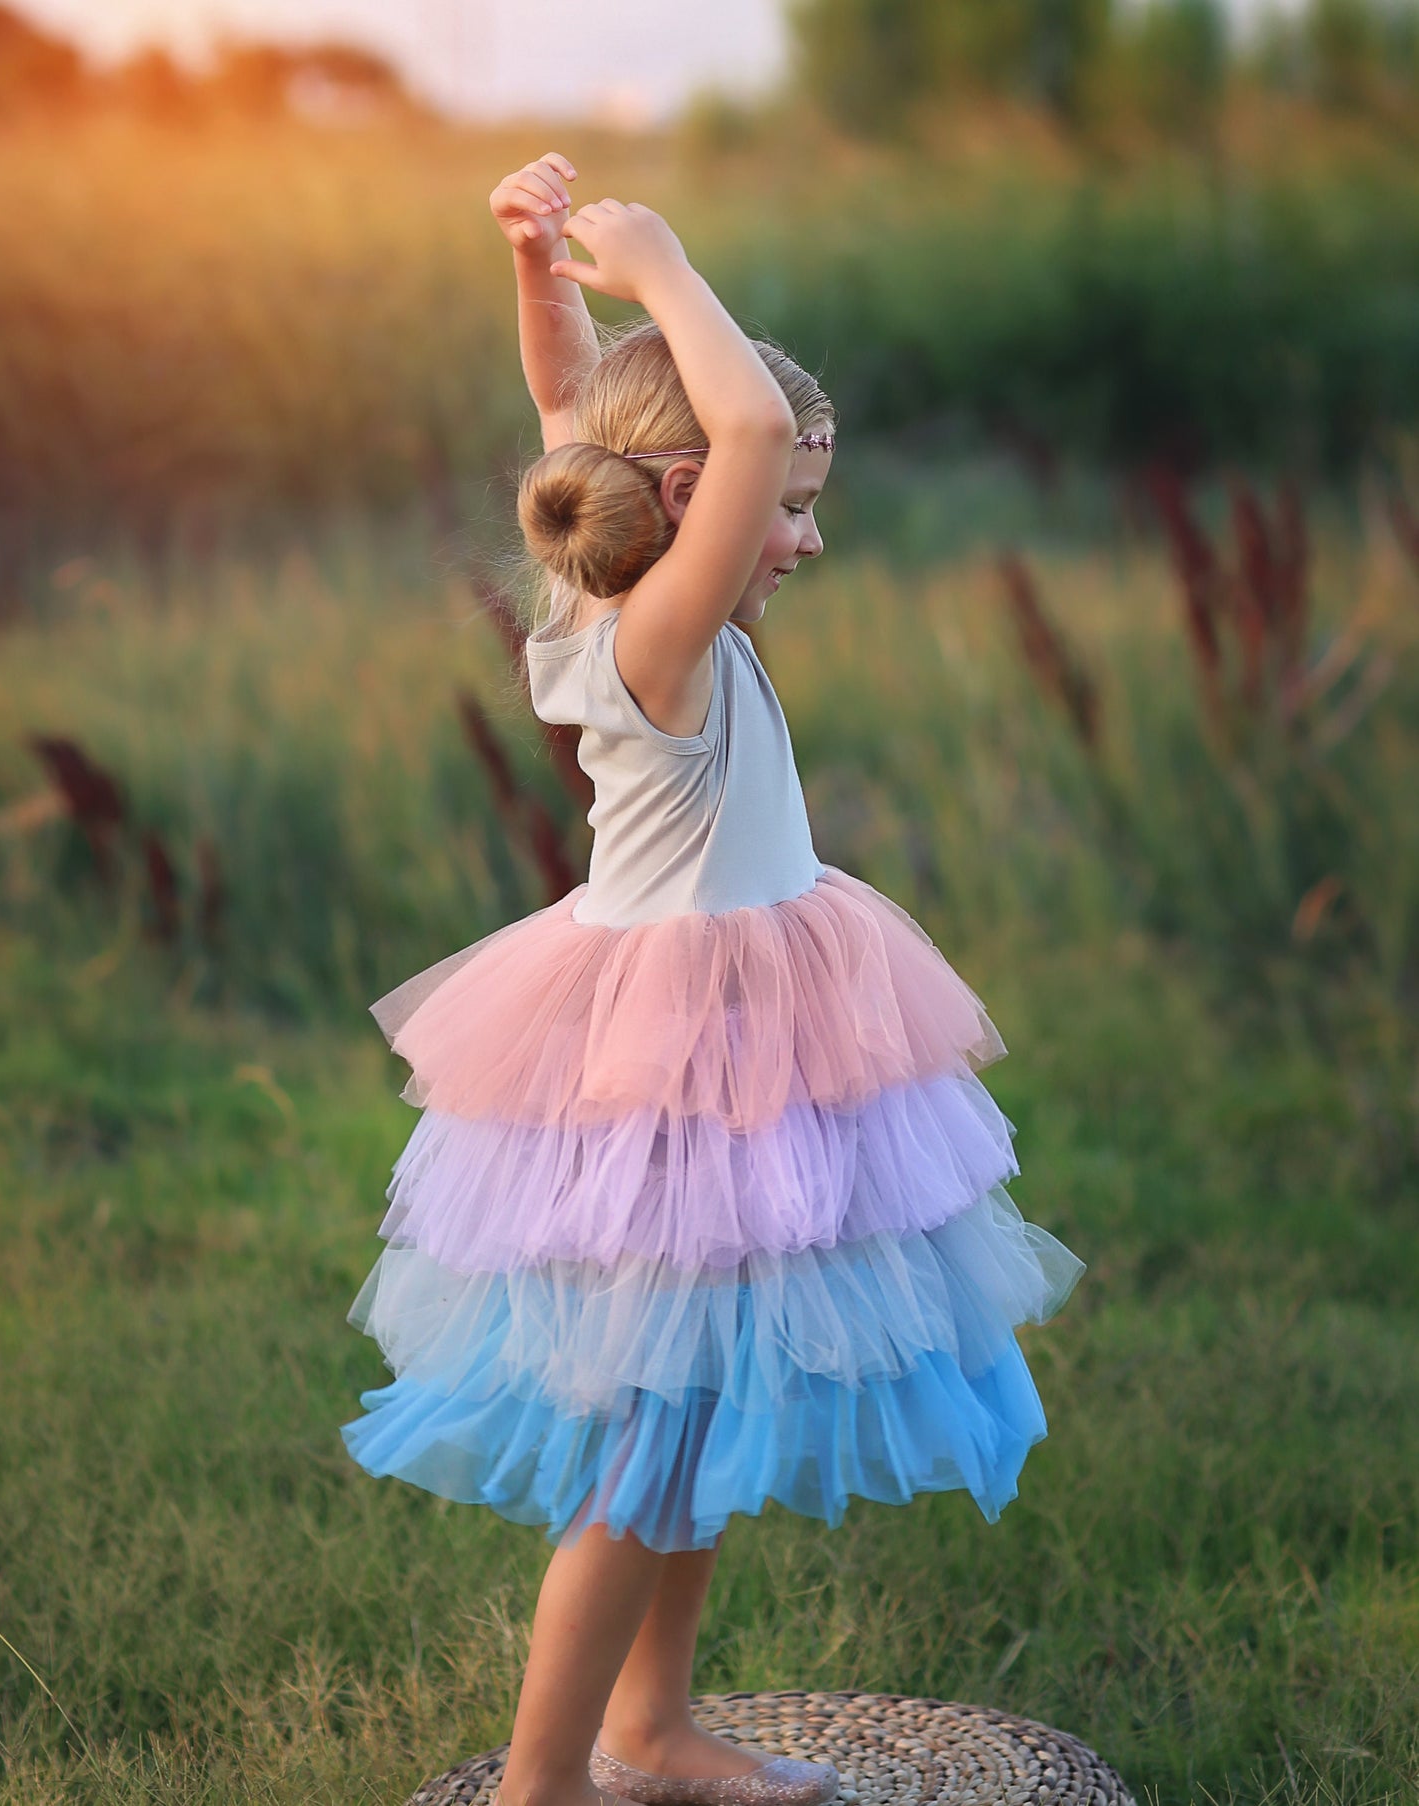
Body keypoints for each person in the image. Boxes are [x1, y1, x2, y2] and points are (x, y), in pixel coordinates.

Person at [340, 152, 1087, 1806]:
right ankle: (542, 1779)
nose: (803, 532)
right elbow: (736, 426)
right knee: (642, 1441)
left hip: (734, 1046)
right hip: (686, 1061)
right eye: (795, 501)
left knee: (699, 1407)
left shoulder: (599, 582)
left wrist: (542, 275)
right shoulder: (659, 636)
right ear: (689, 499)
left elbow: (574, 408)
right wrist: (663, 262)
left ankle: (651, 1727)